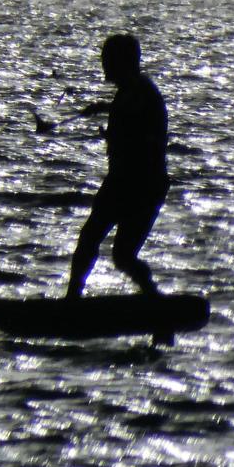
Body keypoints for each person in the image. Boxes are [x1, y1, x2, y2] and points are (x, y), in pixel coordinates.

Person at [66, 34, 169, 299]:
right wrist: (104, 108)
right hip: (131, 181)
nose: (104, 65)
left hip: (137, 183)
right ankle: (151, 301)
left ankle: (74, 299)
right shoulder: (132, 91)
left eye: (108, 60)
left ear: (123, 62)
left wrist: (114, 133)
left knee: (107, 247)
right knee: (108, 248)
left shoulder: (139, 92)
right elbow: (130, 114)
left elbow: (142, 132)